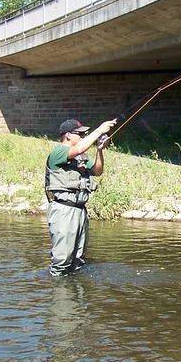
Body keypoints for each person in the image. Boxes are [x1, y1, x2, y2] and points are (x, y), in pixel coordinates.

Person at [45, 117, 117, 276]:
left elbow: (97, 171)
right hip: (63, 210)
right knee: (62, 259)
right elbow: (77, 149)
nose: (84, 137)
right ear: (68, 135)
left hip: (80, 211)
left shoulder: (81, 157)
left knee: (77, 260)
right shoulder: (58, 152)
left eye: (85, 134)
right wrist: (100, 130)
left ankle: (74, 295)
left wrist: (99, 150)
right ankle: (59, 295)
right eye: (81, 134)